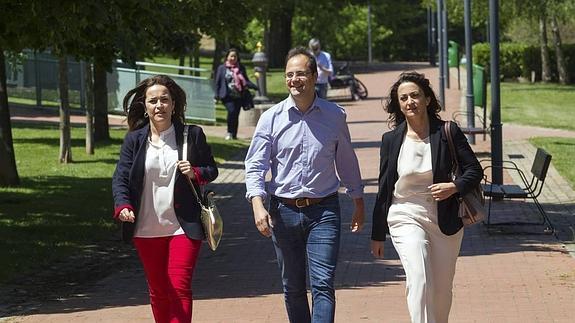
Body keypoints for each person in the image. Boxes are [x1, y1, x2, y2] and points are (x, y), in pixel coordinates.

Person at [245, 47, 365, 323]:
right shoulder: (271, 118)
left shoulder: (334, 115)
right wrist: (257, 205)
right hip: (282, 211)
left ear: (314, 76)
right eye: (289, 75)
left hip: (323, 210)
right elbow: (255, 165)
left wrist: (357, 201)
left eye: (300, 74)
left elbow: (346, 160)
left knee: (323, 283)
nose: (294, 80)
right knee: (293, 286)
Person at [370, 71, 483, 323]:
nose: (410, 101)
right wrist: (378, 233)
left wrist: (453, 187)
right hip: (405, 214)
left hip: (444, 218)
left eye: (415, 95)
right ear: (398, 104)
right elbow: (384, 188)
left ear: (427, 99)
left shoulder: (447, 132)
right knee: (419, 279)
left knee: (442, 290)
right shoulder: (391, 140)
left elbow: (475, 170)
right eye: (403, 98)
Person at [112, 75, 218, 323]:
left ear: (173, 104)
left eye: (164, 100)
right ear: (145, 106)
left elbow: (211, 169)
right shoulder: (134, 140)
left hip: (183, 226)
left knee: (179, 287)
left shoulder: (191, 135)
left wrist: (196, 172)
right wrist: (123, 206)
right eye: (153, 101)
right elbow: (120, 179)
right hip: (146, 228)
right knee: (158, 291)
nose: (159, 105)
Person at [214, 48, 258, 140]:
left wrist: (255, 86)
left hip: (238, 96)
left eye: (235, 56)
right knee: (232, 111)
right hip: (226, 95)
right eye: (231, 56)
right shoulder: (222, 68)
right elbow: (217, 82)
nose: (233, 58)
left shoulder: (241, 68)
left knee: (235, 115)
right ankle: (229, 132)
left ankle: (234, 134)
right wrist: (216, 95)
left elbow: (246, 81)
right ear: (227, 57)